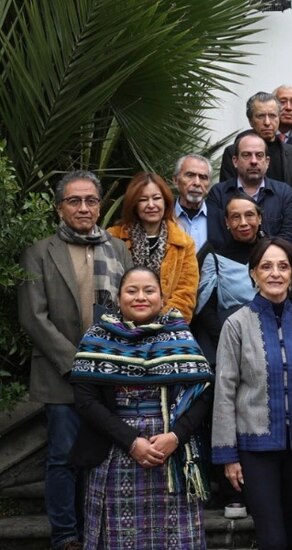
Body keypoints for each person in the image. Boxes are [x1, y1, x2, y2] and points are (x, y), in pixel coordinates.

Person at [18, 171, 133, 550]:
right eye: (74, 201)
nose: (84, 208)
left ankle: (96, 531)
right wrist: (77, 364)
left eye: (91, 200)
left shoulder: (117, 249)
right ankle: (66, 535)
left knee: (100, 457)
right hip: (61, 374)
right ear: (59, 208)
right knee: (64, 458)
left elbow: (132, 306)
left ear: (99, 205)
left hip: (110, 373)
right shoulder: (39, 252)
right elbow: (34, 317)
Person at [69, 267, 214, 549]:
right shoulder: (97, 338)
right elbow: (86, 401)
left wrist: (175, 437)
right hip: (114, 450)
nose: (141, 297)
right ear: (119, 297)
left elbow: (203, 396)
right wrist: (131, 441)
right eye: (132, 291)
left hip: (169, 454)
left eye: (149, 291)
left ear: (161, 297)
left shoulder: (180, 338)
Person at [212, 238, 292, 550]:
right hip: (254, 449)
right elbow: (224, 391)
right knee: (271, 538)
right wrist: (227, 455)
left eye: (283, 266)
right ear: (253, 274)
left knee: (289, 533)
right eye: (266, 266)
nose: (275, 273)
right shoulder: (236, 324)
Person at [108, 172, 199, 321]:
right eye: (143, 200)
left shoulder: (183, 243)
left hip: (165, 330)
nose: (151, 205)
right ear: (134, 204)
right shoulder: (114, 237)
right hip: (119, 327)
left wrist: (156, 325)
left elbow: (185, 295)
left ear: (166, 202)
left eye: (157, 198)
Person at [193, 195, 263, 359]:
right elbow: (206, 310)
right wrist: (228, 345)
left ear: (259, 218)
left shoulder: (273, 253)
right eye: (235, 217)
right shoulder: (215, 259)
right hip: (232, 341)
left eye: (249, 215)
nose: (243, 223)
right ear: (227, 222)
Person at [206, 131, 292, 249]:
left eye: (259, 155)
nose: (254, 161)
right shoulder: (218, 193)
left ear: (267, 162)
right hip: (230, 264)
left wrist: (263, 257)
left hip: (272, 263)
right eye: (246, 155)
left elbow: (291, 234)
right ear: (235, 161)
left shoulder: (284, 193)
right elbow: (216, 236)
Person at [218, 92, 292, 191]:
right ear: (250, 121)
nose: (267, 122)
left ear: (279, 118)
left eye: (272, 116)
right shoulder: (233, 152)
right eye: (261, 116)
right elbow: (227, 193)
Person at [173, 154, 214, 252]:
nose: (197, 183)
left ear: (209, 185)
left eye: (203, 177)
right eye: (190, 175)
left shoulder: (220, 218)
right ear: (175, 180)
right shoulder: (163, 215)